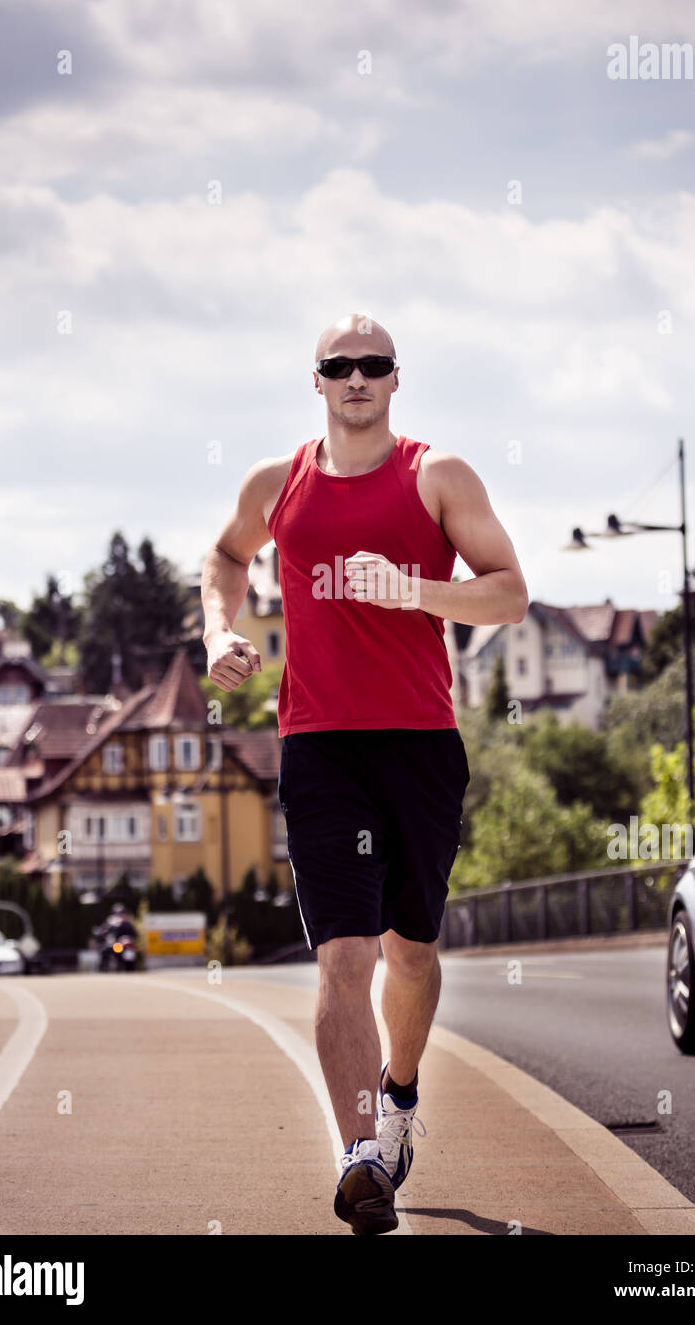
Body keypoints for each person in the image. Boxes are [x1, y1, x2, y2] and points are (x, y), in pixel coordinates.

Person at [201, 313, 528, 1235]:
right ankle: (360, 1159)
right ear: (317, 382)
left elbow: (509, 589)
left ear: (394, 379)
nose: (356, 377)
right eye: (338, 365)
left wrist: (416, 589)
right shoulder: (279, 483)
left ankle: (401, 1095)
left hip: (420, 741)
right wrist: (221, 630)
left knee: (409, 952)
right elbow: (225, 556)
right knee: (343, 956)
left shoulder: (437, 477)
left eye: (372, 365)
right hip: (318, 746)